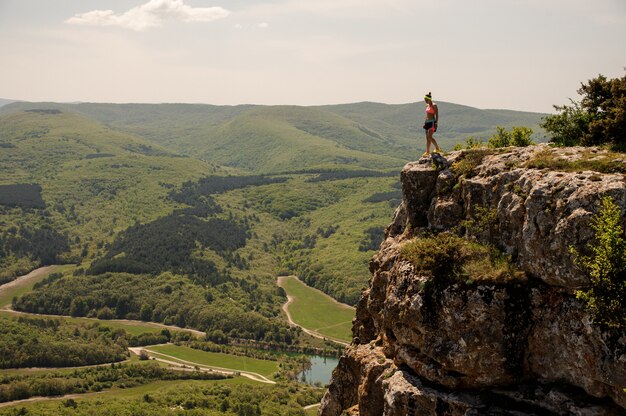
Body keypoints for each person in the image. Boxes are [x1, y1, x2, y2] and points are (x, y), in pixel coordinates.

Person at [422, 92, 441, 157]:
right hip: (427, 122)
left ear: (429, 99)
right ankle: (427, 152)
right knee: (427, 138)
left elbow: (437, 115)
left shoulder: (434, 105)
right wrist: (424, 122)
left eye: (426, 100)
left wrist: (436, 123)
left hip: (432, 122)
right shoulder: (427, 105)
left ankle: (437, 148)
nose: (425, 101)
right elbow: (427, 115)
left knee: (430, 137)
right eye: (425, 100)